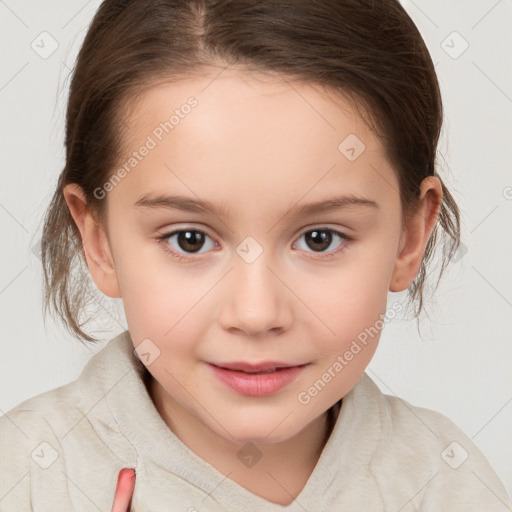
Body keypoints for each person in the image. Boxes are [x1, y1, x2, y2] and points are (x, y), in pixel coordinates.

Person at [1, 0, 510, 510]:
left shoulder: (447, 483)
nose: (256, 313)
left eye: (319, 239)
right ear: (99, 241)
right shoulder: (27, 479)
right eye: (190, 240)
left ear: (409, 236)